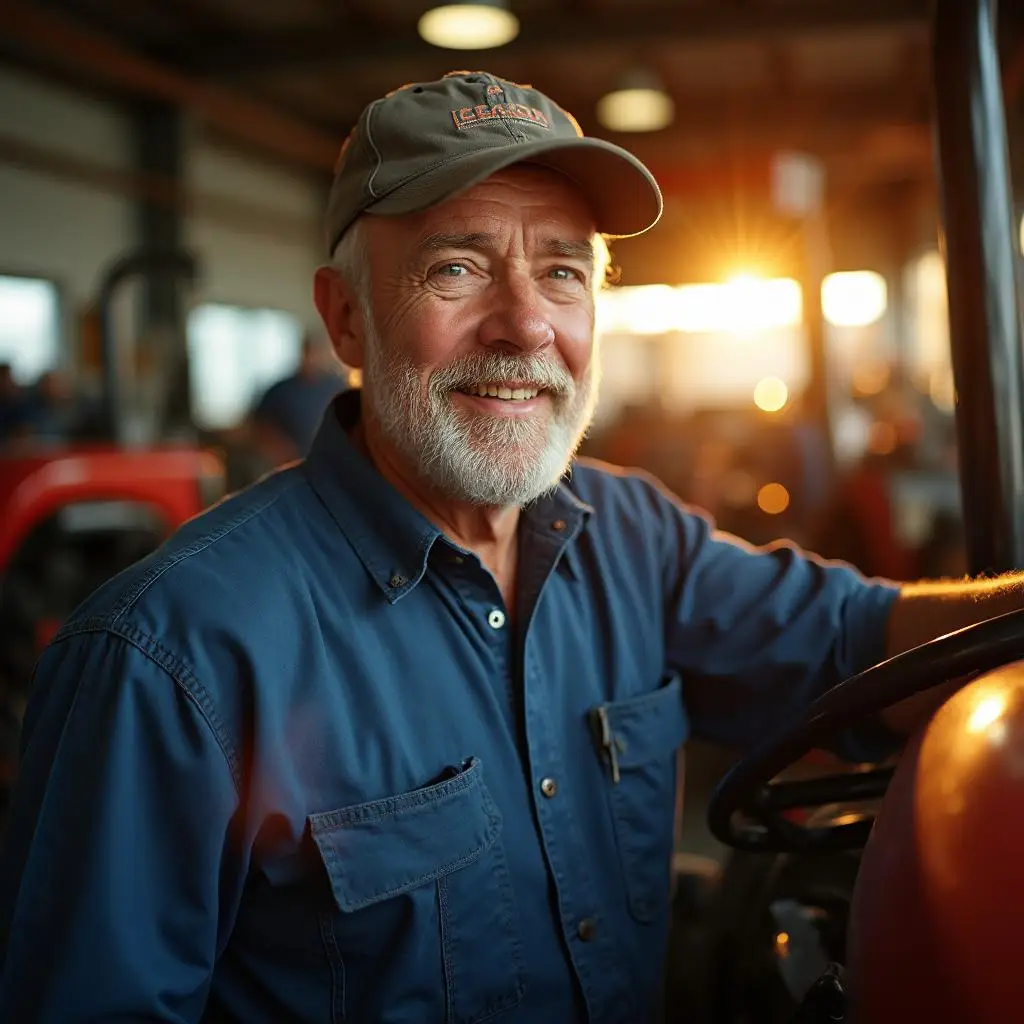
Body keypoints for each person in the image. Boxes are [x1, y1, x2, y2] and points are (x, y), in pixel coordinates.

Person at [0, 70, 1019, 1023]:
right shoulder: (170, 656)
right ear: (345, 317)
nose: (525, 323)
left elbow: (855, 642)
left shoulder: (629, 534)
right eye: (457, 266)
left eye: (564, 271)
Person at [247, 332, 347, 462]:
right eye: (309, 352)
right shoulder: (281, 391)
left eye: (317, 353)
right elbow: (260, 425)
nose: (312, 358)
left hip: (328, 462)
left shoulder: (336, 387)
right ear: (302, 353)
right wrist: (279, 448)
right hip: (288, 464)